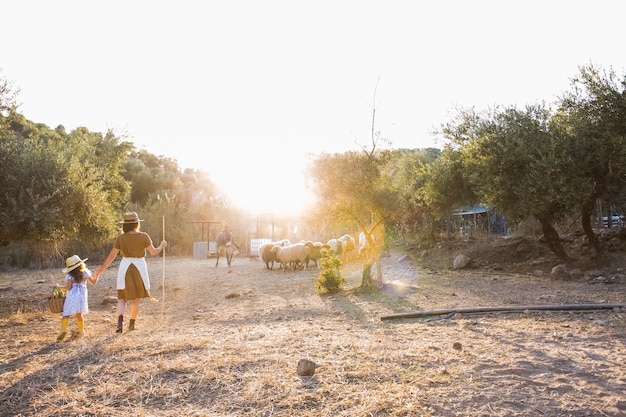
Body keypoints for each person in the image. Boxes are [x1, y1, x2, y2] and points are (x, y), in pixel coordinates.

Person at [94, 211, 167, 333]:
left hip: (125, 268)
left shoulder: (121, 238)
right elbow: (154, 252)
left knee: (122, 298)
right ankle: (132, 324)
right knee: (135, 299)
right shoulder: (144, 236)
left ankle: (120, 323)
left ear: (125, 225)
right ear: (137, 223)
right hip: (139, 268)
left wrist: (101, 269)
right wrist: (161, 245)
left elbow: (111, 256)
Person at [53, 255, 98, 342]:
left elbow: (68, 288)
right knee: (79, 314)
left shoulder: (70, 276)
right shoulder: (85, 274)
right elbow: (93, 282)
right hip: (82, 296)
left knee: (66, 314)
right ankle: (81, 331)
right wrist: (97, 275)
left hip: (72, 296)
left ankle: (63, 330)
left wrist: (58, 287)